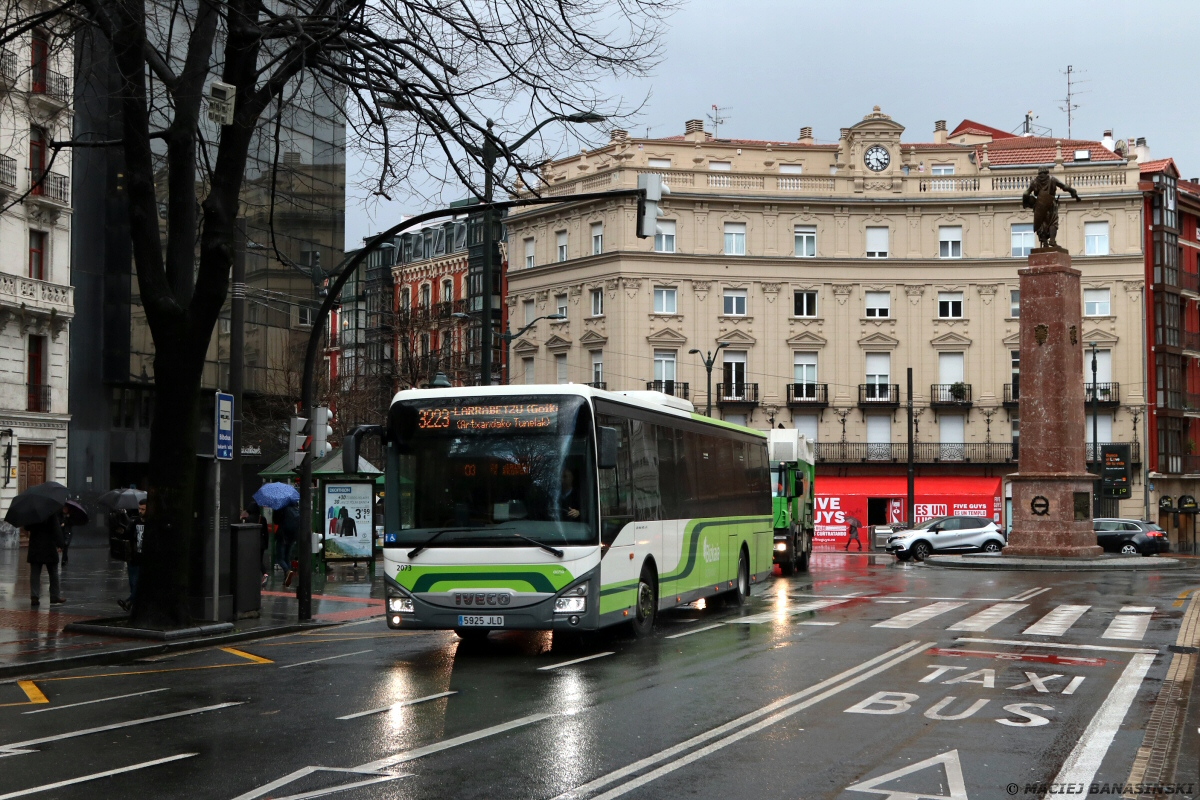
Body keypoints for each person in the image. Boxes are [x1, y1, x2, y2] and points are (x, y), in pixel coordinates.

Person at [27, 510, 65, 606]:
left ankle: (34, 596)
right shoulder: (50, 511)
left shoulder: (32, 513)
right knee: (53, 573)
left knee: (35, 573)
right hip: (49, 546)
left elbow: (27, 527)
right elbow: (56, 528)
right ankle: (54, 596)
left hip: (35, 546)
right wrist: (60, 544)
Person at [117, 500, 146, 612]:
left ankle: (130, 601)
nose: (140, 511)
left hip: (143, 557)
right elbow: (128, 535)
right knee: (133, 583)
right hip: (134, 556)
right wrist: (122, 532)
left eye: (143, 509)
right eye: (139, 509)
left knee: (137, 582)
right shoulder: (135, 522)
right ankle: (132, 602)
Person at [275, 499, 299, 587]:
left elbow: (276, 520)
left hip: (282, 536)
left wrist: (276, 509)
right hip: (292, 537)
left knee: (279, 558)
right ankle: (286, 578)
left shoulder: (282, 508)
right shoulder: (296, 509)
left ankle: (287, 571)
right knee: (287, 557)